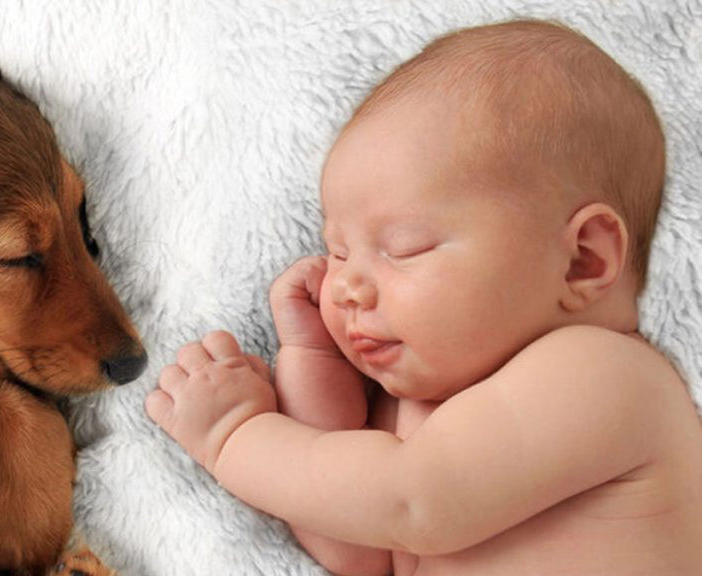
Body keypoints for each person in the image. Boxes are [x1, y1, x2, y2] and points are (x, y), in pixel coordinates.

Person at [145, 19, 702, 576]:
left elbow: (411, 503)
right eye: (337, 252)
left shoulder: (607, 376)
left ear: (583, 259)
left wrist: (233, 437)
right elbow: (355, 547)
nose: (345, 287)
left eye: (404, 248)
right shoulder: (424, 415)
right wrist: (314, 363)